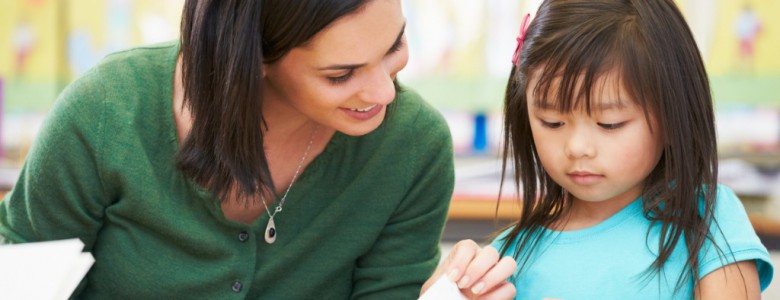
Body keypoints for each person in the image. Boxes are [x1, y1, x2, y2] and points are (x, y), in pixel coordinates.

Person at [0, 0, 515, 298]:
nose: (384, 92)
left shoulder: (411, 145)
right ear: (253, 60)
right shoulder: (108, 108)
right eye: (341, 74)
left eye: (395, 47)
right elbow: (21, 270)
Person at [492, 0, 774, 299]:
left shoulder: (706, 220)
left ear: (672, 114)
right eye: (552, 122)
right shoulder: (503, 261)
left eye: (610, 124)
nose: (577, 148)